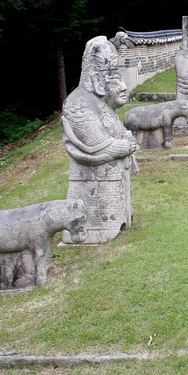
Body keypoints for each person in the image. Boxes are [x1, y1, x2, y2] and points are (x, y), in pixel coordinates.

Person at [62, 36, 137, 243]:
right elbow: (95, 145)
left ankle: (119, 217)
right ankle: (97, 227)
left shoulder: (101, 104)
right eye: (112, 76)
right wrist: (124, 145)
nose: (122, 85)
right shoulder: (78, 104)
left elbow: (117, 133)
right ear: (95, 77)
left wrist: (125, 141)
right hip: (92, 172)